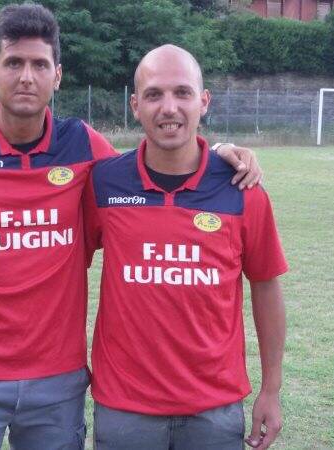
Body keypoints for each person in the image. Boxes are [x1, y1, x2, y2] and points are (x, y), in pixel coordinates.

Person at [0, 4, 262, 449]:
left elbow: (153, 166)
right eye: (14, 63)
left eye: (40, 64)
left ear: (58, 75)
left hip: (56, 382)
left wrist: (220, 154)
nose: (27, 76)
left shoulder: (85, 146)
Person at [85, 44, 288, 450]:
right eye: (154, 94)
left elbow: (265, 287)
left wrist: (271, 389)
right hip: (125, 410)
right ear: (135, 105)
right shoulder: (103, 183)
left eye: (183, 92)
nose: (169, 107)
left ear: (204, 101)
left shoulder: (242, 189)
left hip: (213, 411)